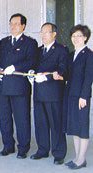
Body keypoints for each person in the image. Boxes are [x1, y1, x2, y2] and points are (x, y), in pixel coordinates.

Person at [0, 13, 38, 159]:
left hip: (20, 87)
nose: (13, 26)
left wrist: (15, 67)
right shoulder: (4, 42)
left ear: (23, 26)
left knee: (22, 119)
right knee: (4, 118)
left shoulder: (30, 43)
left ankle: (23, 148)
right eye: (11, 23)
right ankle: (8, 146)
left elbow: (32, 61)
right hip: (3, 85)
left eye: (16, 24)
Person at [29, 23, 68, 165]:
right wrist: (31, 72)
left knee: (56, 123)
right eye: (42, 32)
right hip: (39, 92)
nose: (43, 35)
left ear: (54, 34)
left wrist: (47, 76)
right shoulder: (39, 51)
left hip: (54, 93)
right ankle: (43, 150)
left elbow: (63, 69)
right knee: (41, 123)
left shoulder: (61, 50)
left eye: (46, 32)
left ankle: (58, 153)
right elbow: (33, 65)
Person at [64, 24, 93, 170]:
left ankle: (81, 160)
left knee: (82, 127)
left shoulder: (89, 54)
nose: (76, 38)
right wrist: (59, 75)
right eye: (74, 36)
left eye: (79, 36)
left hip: (81, 97)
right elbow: (69, 75)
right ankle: (77, 158)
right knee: (74, 127)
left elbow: (89, 78)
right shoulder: (71, 55)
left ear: (85, 37)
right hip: (70, 95)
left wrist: (84, 97)